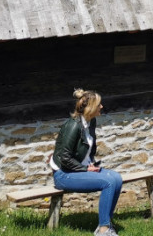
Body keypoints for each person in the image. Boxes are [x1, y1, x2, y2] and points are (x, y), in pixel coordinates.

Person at [51, 89, 124, 236]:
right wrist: (86, 169)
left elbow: (87, 151)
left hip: (80, 169)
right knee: (108, 182)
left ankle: (106, 223)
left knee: (117, 178)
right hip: (64, 174)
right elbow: (65, 159)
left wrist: (91, 164)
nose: (102, 106)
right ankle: (103, 230)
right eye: (99, 104)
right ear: (91, 107)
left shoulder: (91, 122)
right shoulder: (72, 126)